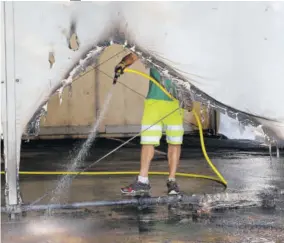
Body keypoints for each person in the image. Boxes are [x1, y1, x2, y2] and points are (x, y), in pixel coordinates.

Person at [114, 52, 185, 195]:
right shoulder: (154, 44)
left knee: (175, 142)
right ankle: (142, 181)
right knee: (147, 141)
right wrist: (122, 64)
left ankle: (172, 181)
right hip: (153, 101)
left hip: (175, 102)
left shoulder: (180, 46)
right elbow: (134, 55)